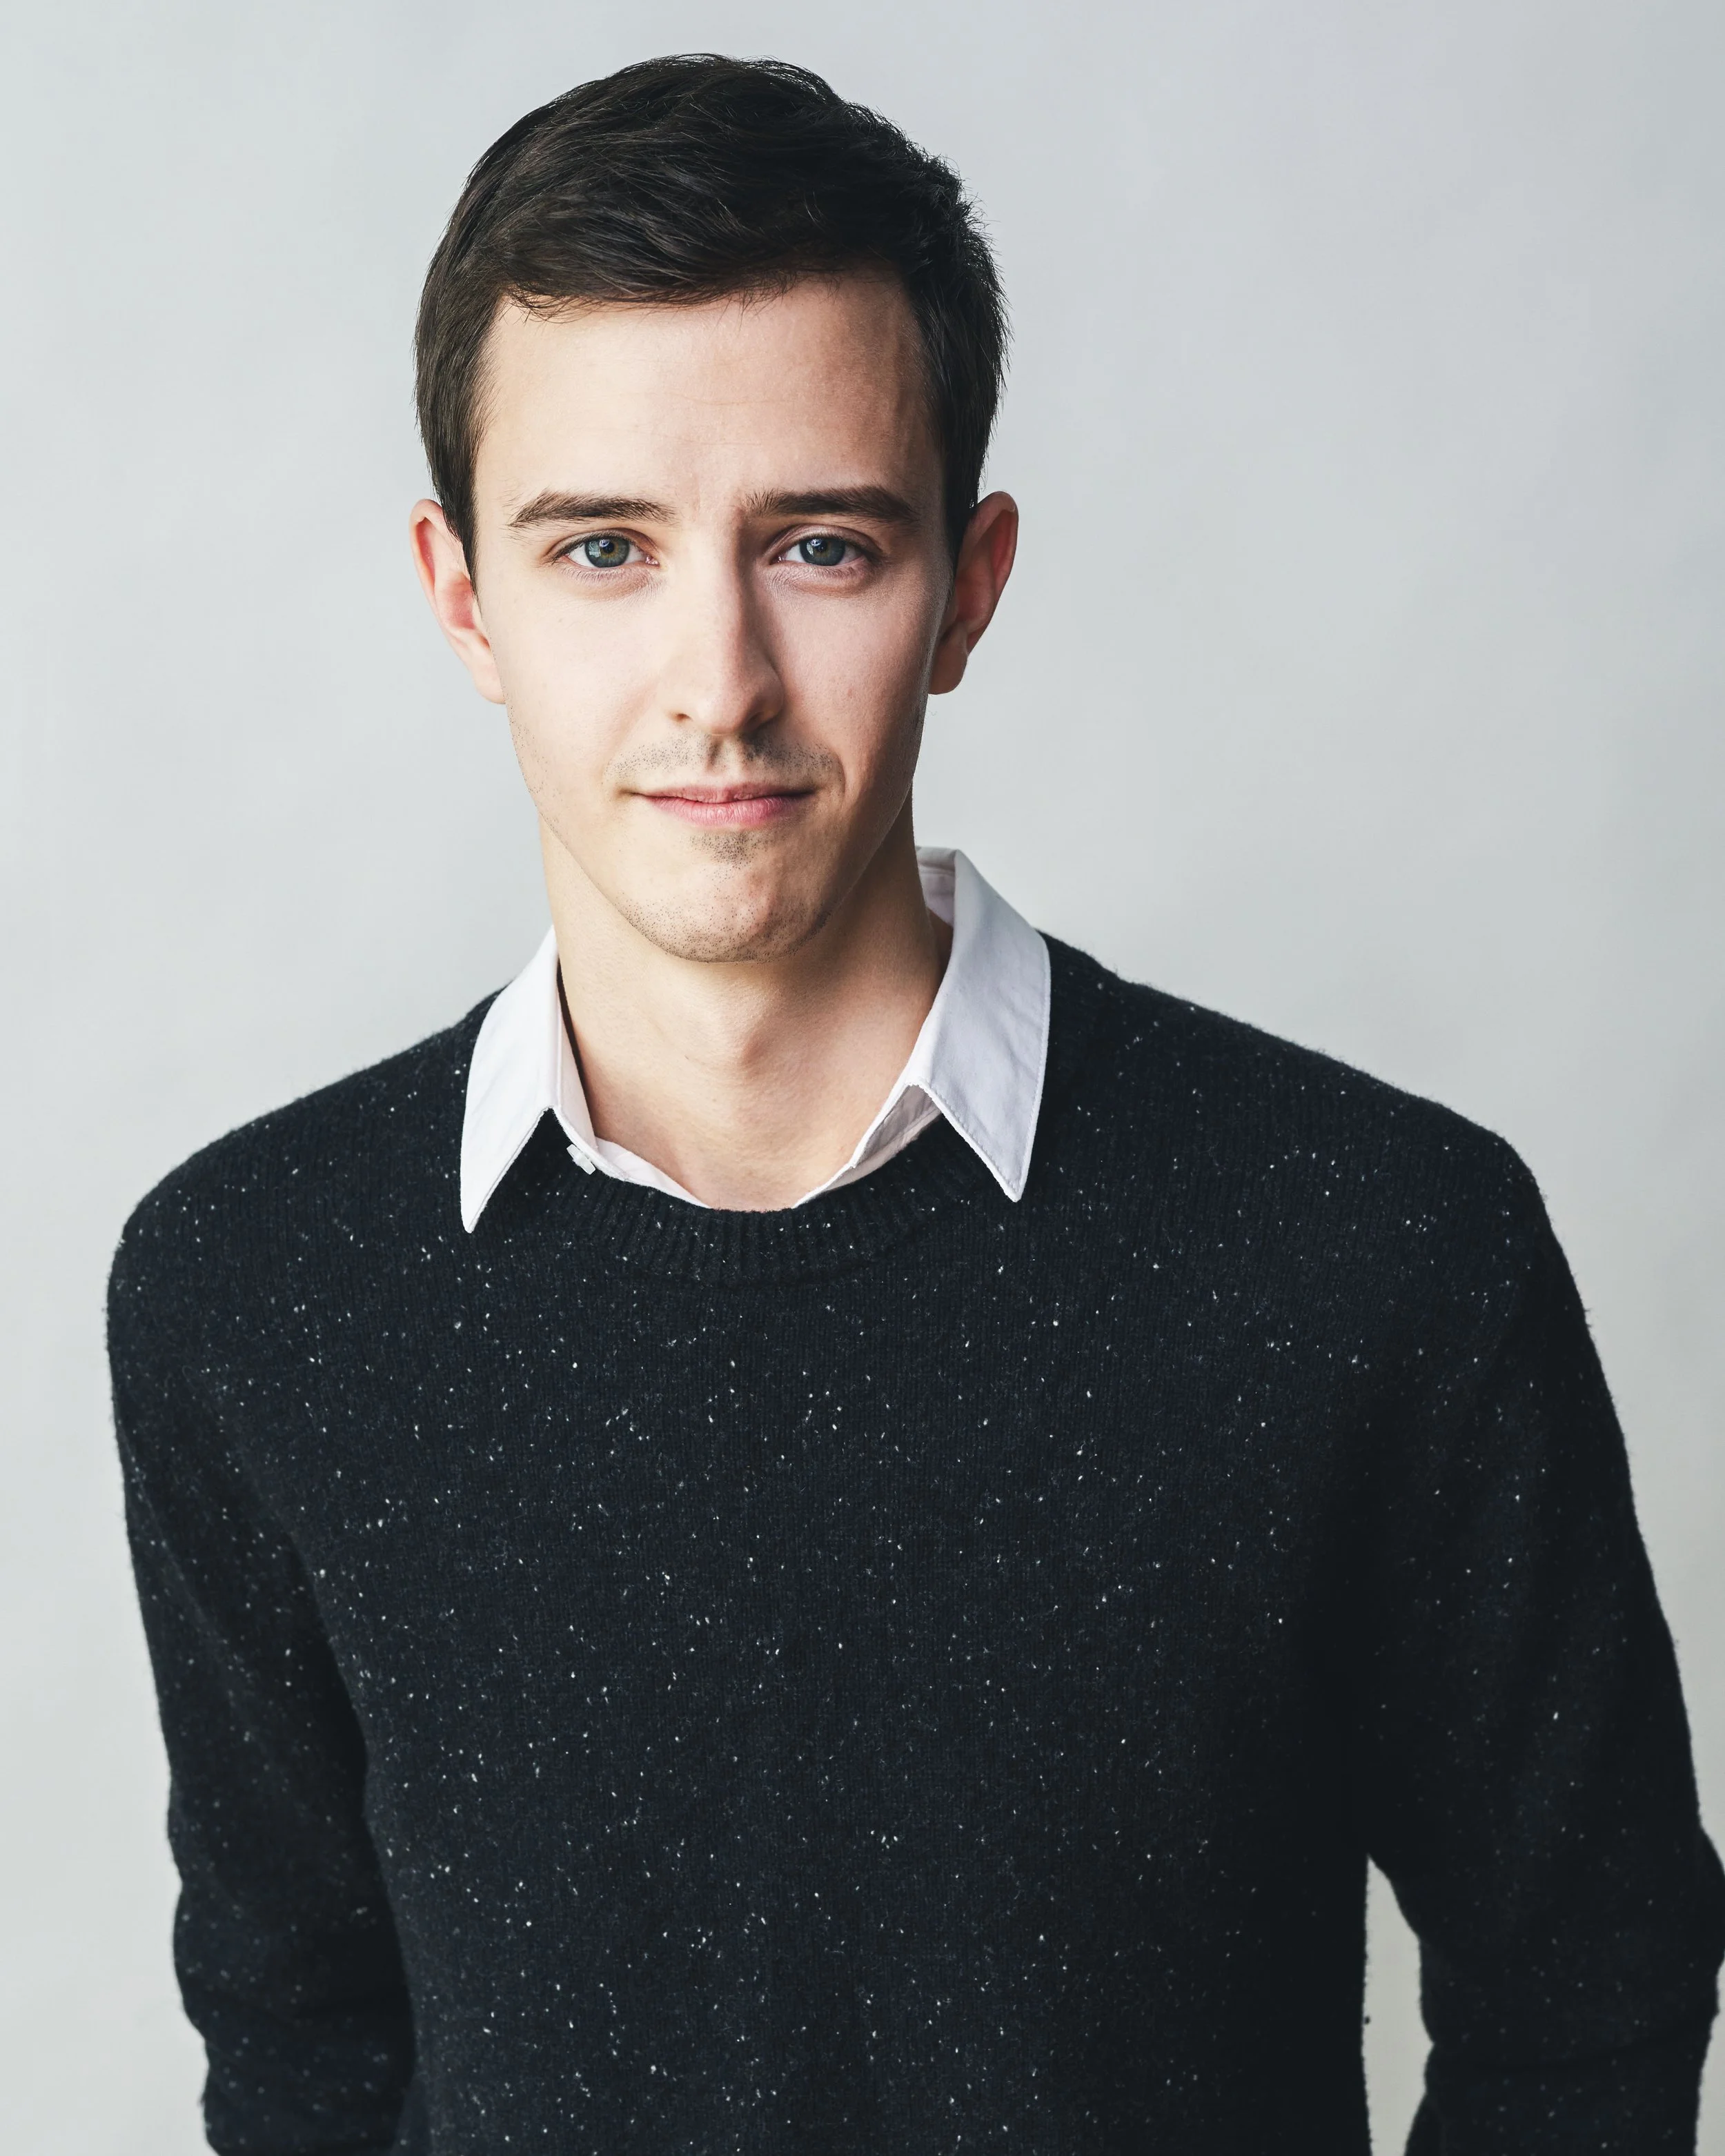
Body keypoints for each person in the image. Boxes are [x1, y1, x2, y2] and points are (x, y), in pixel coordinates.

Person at [109, 53, 1722, 2156]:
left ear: (966, 585)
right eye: (602, 546)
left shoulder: (1375, 1245)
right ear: (459, 595)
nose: (719, 678)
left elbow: (1587, 1990)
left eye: (823, 546)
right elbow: (298, 2040)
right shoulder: (253, 1285)